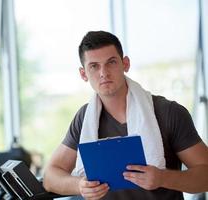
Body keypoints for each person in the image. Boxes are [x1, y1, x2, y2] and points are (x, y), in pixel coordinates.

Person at [43, 30, 208, 200]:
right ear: (83, 74)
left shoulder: (169, 112)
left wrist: (162, 178)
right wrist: (79, 186)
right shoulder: (84, 118)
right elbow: (50, 176)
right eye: (94, 66)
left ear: (125, 64)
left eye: (111, 62)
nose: (103, 73)